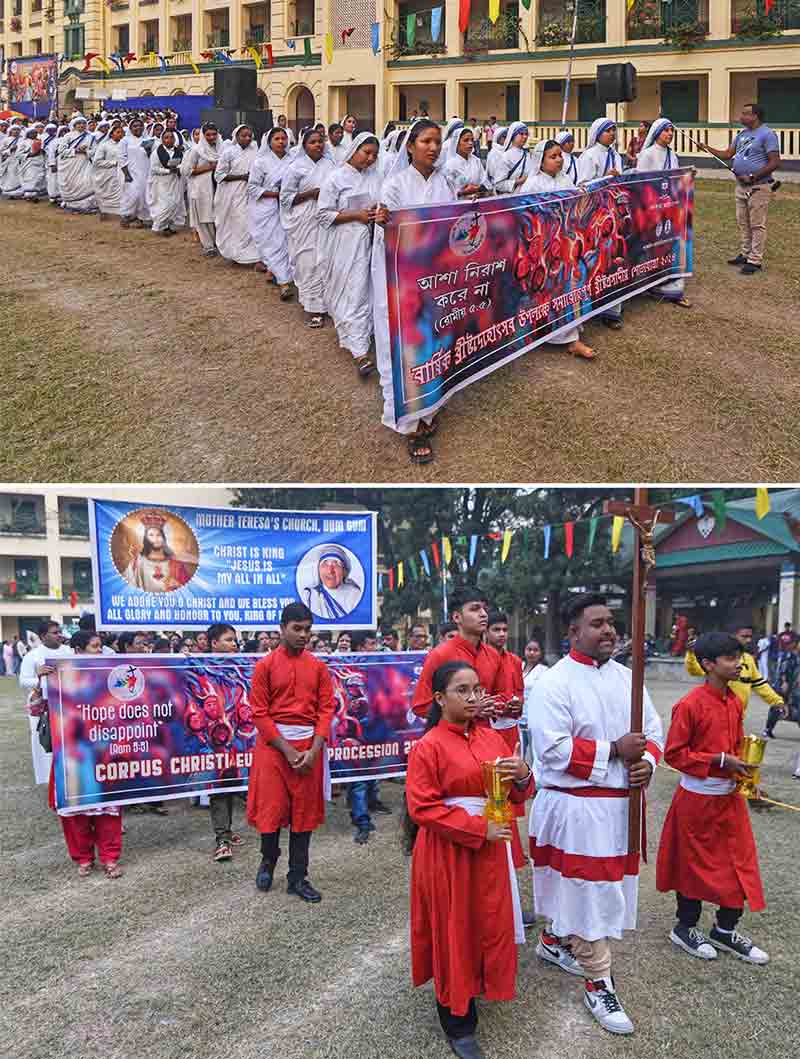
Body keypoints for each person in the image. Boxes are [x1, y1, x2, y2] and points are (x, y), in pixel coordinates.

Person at [528, 594, 664, 1035]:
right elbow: (551, 749)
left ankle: (552, 940)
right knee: (588, 896)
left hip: (619, 808)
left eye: (611, 623)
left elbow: (654, 732)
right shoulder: (553, 682)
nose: (609, 631)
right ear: (573, 632)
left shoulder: (630, 677)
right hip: (577, 809)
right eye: (597, 623)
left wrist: (648, 763)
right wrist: (614, 751)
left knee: (594, 890)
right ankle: (598, 981)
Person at [404, 661, 533, 1059]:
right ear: (440, 698)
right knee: (453, 926)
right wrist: (477, 829)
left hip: (491, 847)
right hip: (448, 851)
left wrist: (524, 774)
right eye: (463, 690)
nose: (474, 696)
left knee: (488, 920)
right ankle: (457, 1019)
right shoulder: (428, 747)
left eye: (477, 688)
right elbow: (421, 808)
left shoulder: (493, 739)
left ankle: (480, 982)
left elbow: (517, 794)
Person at [656, 632, 768, 964]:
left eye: (740, 657)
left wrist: (746, 777)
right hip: (697, 801)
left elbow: (735, 748)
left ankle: (724, 929)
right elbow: (674, 755)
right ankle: (685, 928)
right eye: (731, 659)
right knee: (692, 868)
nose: (739, 664)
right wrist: (719, 761)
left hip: (729, 798)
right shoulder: (690, 704)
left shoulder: (734, 700)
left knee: (738, 864)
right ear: (708, 665)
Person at [371, 119, 456, 464]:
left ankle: (430, 407)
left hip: (434, 279)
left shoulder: (445, 183)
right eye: (426, 142)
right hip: (401, 281)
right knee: (403, 344)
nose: (433, 148)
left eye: (437, 142)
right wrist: (385, 224)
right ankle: (409, 424)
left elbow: (451, 228)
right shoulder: (394, 186)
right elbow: (386, 239)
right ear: (410, 146)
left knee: (431, 341)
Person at [247, 603, 335, 902]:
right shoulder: (265, 666)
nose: (303, 635)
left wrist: (314, 749)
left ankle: (298, 877)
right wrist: (286, 750)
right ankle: (268, 859)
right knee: (271, 811)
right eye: (297, 629)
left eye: (307, 629)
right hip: (274, 749)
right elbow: (259, 713)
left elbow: (326, 709)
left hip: (309, 748)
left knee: (304, 815)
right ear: (282, 628)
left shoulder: (319, 667)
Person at [48, 630, 124, 878]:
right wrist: (42, 685)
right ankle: (83, 857)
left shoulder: (110, 675)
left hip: (104, 751)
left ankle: (110, 857)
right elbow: (40, 708)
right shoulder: (57, 675)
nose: (100, 652)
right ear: (78, 650)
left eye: (101, 646)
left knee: (107, 809)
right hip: (72, 753)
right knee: (76, 811)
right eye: (95, 647)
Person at [517, 139, 597, 360]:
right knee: (546, 292)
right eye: (553, 156)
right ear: (540, 161)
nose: (559, 160)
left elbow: (575, 208)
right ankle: (544, 334)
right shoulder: (533, 184)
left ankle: (571, 338)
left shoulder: (566, 180)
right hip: (543, 249)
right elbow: (524, 216)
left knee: (568, 289)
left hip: (565, 246)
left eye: (560, 155)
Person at [317, 132, 381, 377]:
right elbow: (323, 215)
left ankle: (363, 338)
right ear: (354, 150)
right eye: (367, 153)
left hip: (371, 241)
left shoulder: (375, 176)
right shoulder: (335, 178)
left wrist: (376, 213)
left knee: (367, 290)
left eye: (375, 155)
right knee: (351, 291)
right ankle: (359, 351)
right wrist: (356, 215)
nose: (370, 159)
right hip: (344, 243)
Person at [701, 103, 781, 275]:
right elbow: (728, 154)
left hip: (758, 186)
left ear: (755, 116)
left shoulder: (768, 134)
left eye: (745, 113)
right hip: (740, 186)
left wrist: (753, 177)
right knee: (743, 222)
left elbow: (775, 162)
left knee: (757, 224)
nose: (741, 117)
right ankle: (745, 254)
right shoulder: (742, 134)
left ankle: (755, 260)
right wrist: (707, 148)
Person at [280, 127, 335, 328]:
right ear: (304, 145)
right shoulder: (295, 167)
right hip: (304, 220)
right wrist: (309, 194)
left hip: (326, 219)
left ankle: (328, 304)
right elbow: (285, 198)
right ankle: (314, 309)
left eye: (320, 141)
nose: (318, 145)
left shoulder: (330, 165)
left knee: (326, 260)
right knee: (308, 262)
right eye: (313, 142)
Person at [635, 117, 692, 308]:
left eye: (671, 131)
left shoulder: (671, 154)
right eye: (666, 131)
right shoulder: (648, 154)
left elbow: (675, 177)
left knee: (670, 245)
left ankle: (670, 288)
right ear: (657, 133)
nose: (669, 134)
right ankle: (649, 283)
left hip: (670, 207)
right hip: (652, 208)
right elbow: (641, 182)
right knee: (651, 246)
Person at [576, 118, 625, 330]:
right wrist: (605, 178)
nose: (612, 134)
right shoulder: (589, 155)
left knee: (614, 258)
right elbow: (583, 185)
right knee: (596, 259)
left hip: (614, 212)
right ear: (597, 133)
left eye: (614, 130)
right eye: (608, 131)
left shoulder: (616, 155)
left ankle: (613, 309)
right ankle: (593, 303)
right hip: (595, 216)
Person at [205, 623, 244, 862]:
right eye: (229, 640)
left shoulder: (240, 666)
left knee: (234, 786)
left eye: (235, 640)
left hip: (239, 740)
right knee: (218, 788)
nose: (234, 645)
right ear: (214, 643)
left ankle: (227, 830)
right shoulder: (200, 669)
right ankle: (222, 839)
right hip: (214, 742)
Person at [685, 625, 783, 718]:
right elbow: (694, 670)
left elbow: (759, 684)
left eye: (750, 636)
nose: (748, 640)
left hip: (737, 716)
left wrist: (777, 701)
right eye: (744, 636)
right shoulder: (691, 705)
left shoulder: (748, 659)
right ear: (732, 636)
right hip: (717, 714)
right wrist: (691, 654)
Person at [19, 621, 73, 784]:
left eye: (59, 632)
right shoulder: (33, 655)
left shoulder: (69, 652)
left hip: (68, 704)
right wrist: (39, 676)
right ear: (43, 636)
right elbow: (23, 681)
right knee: (45, 742)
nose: (59, 635)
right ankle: (49, 781)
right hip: (43, 706)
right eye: (55, 632)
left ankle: (68, 779)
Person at [247, 127, 294, 298]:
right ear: (270, 142)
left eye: (284, 138)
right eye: (277, 139)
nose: (281, 142)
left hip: (289, 208)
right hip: (267, 209)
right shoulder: (261, 162)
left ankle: (277, 272)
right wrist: (276, 194)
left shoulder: (293, 159)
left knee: (286, 244)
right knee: (274, 244)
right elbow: (252, 187)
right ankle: (284, 283)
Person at [214, 124, 260, 266]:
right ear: (236, 137)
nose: (247, 138)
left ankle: (249, 255)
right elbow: (219, 175)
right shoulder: (229, 152)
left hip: (251, 193)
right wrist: (241, 177)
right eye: (243, 136)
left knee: (250, 223)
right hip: (233, 193)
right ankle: (235, 253)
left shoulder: (255, 151)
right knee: (238, 222)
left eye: (249, 136)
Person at [121, 510, 193, 592]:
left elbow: (189, 590)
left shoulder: (176, 564)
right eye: (151, 535)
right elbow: (125, 587)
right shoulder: (137, 563)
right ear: (145, 539)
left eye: (159, 535)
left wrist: (178, 585)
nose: (156, 539)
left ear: (164, 538)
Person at [485, 610, 524, 753]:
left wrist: (518, 703)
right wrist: (498, 706)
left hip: (512, 727)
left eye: (505, 630)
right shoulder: (478, 659)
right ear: (486, 632)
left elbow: (519, 692)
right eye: (496, 630)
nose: (502, 634)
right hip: (487, 727)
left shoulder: (515, 661)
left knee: (513, 770)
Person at [183, 121, 219, 256]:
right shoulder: (196, 150)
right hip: (201, 188)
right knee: (204, 218)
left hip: (217, 187)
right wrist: (209, 168)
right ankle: (208, 246)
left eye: (214, 134)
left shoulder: (221, 149)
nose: (211, 137)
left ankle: (218, 243)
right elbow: (186, 170)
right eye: (208, 135)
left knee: (216, 216)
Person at [301, 544, 362, 619]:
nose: (330, 571)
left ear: (344, 571)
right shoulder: (309, 595)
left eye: (336, 564)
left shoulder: (355, 595)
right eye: (325, 564)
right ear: (318, 570)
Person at [147, 128, 185, 237]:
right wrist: (168, 170)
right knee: (165, 204)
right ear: (162, 139)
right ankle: (158, 226)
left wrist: (179, 168)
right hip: (161, 183)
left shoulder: (178, 151)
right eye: (166, 137)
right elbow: (154, 169)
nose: (169, 140)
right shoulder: (156, 153)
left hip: (175, 181)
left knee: (175, 203)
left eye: (171, 137)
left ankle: (168, 227)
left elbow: (184, 163)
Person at [57, 115, 98, 213]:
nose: (81, 125)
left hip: (86, 163)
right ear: (74, 125)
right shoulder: (68, 136)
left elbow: (96, 150)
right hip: (71, 164)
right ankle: (73, 204)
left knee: (87, 182)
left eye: (83, 123)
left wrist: (86, 152)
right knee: (73, 183)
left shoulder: (90, 137)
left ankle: (88, 205)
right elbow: (61, 151)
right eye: (79, 123)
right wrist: (75, 150)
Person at [119, 117, 152, 228]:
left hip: (146, 171)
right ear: (130, 128)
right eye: (135, 126)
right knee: (133, 195)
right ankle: (126, 216)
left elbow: (153, 156)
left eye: (140, 125)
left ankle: (140, 218)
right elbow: (122, 158)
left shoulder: (148, 139)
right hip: (131, 172)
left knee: (144, 195)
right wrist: (127, 174)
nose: (138, 128)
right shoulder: (125, 140)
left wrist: (148, 150)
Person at [441, 124, 488, 199]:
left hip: (477, 203)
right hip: (458, 205)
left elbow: (485, 181)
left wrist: (478, 188)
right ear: (457, 143)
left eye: (472, 140)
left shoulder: (476, 161)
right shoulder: (450, 165)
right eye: (466, 140)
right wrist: (463, 192)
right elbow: (446, 191)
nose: (470, 143)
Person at [764, 638, 798, 738]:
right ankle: (767, 729)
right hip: (782, 685)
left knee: (782, 707)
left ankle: (768, 729)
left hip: (789, 686)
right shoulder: (788, 655)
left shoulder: (792, 655)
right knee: (777, 707)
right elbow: (783, 669)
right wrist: (784, 682)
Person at [92, 123, 125, 219]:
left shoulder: (125, 144)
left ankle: (121, 212)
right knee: (108, 193)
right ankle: (106, 212)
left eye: (122, 132)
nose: (121, 134)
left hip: (122, 173)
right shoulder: (104, 146)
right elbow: (97, 162)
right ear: (111, 134)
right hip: (108, 175)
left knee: (122, 193)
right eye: (118, 132)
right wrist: (114, 163)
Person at [491, 120, 530, 193]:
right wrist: (518, 181)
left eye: (526, 134)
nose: (525, 137)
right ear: (513, 135)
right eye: (521, 134)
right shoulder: (506, 156)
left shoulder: (528, 155)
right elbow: (498, 184)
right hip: (510, 199)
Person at [18, 127, 48, 202]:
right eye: (32, 133)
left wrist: (42, 151)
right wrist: (30, 154)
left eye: (35, 133)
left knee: (38, 178)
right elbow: (18, 155)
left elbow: (45, 151)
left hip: (39, 162)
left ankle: (35, 195)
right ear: (28, 134)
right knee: (30, 178)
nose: (34, 134)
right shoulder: (23, 143)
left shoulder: (40, 141)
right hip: (29, 164)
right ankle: (29, 195)